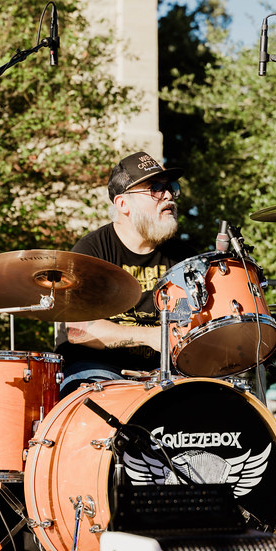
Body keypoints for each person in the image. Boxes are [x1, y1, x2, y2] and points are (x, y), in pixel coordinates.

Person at [57, 151, 195, 397]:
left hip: (164, 373)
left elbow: (188, 322)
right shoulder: (92, 250)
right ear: (123, 204)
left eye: (171, 187)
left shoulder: (183, 256)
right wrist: (150, 336)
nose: (168, 195)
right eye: (155, 188)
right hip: (98, 370)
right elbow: (78, 332)